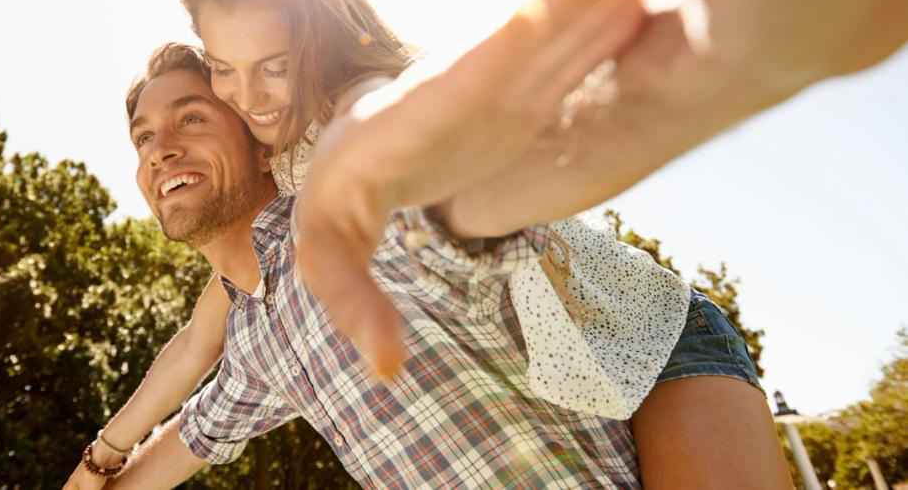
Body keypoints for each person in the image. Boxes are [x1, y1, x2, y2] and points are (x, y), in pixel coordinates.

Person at [65, 0, 786, 489]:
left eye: (271, 68)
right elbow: (198, 346)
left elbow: (393, 129)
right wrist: (102, 455)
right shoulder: (262, 312)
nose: (248, 96)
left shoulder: (357, 124)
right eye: (224, 70)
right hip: (566, 369)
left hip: (651, 334)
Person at [70, 43, 647, 487]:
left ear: (263, 146)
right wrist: (97, 462)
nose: (159, 150)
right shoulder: (253, 338)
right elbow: (190, 434)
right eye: (142, 138)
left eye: (192, 118)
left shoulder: (349, 214)